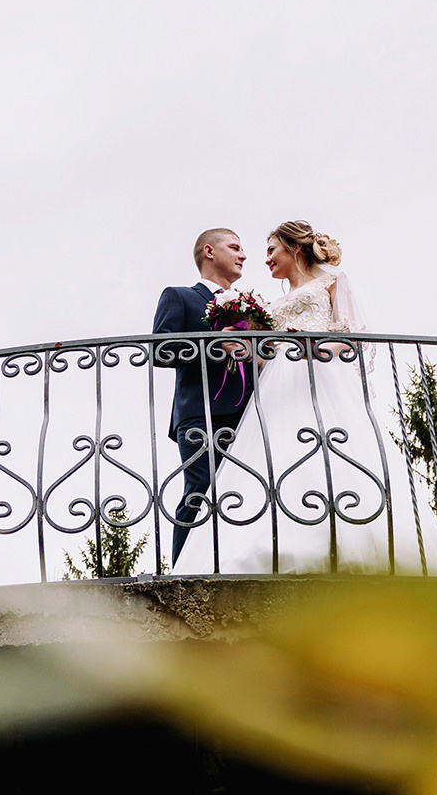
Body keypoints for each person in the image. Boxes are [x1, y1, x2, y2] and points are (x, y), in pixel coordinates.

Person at [211, 220, 393, 573]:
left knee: (335, 449)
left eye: (270, 250)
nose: (265, 260)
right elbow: (265, 354)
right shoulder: (272, 306)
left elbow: (353, 334)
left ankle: (346, 541)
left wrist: (320, 349)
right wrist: (240, 347)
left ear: (293, 248)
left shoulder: (332, 281)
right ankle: (283, 543)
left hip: (322, 375)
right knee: (280, 451)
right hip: (280, 384)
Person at [152, 227, 253, 564]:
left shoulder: (252, 306)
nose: (243, 255)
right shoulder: (180, 296)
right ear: (209, 251)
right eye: (235, 247)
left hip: (249, 413)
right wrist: (213, 345)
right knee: (200, 490)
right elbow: (160, 351)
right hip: (200, 414)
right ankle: (183, 571)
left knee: (246, 494)